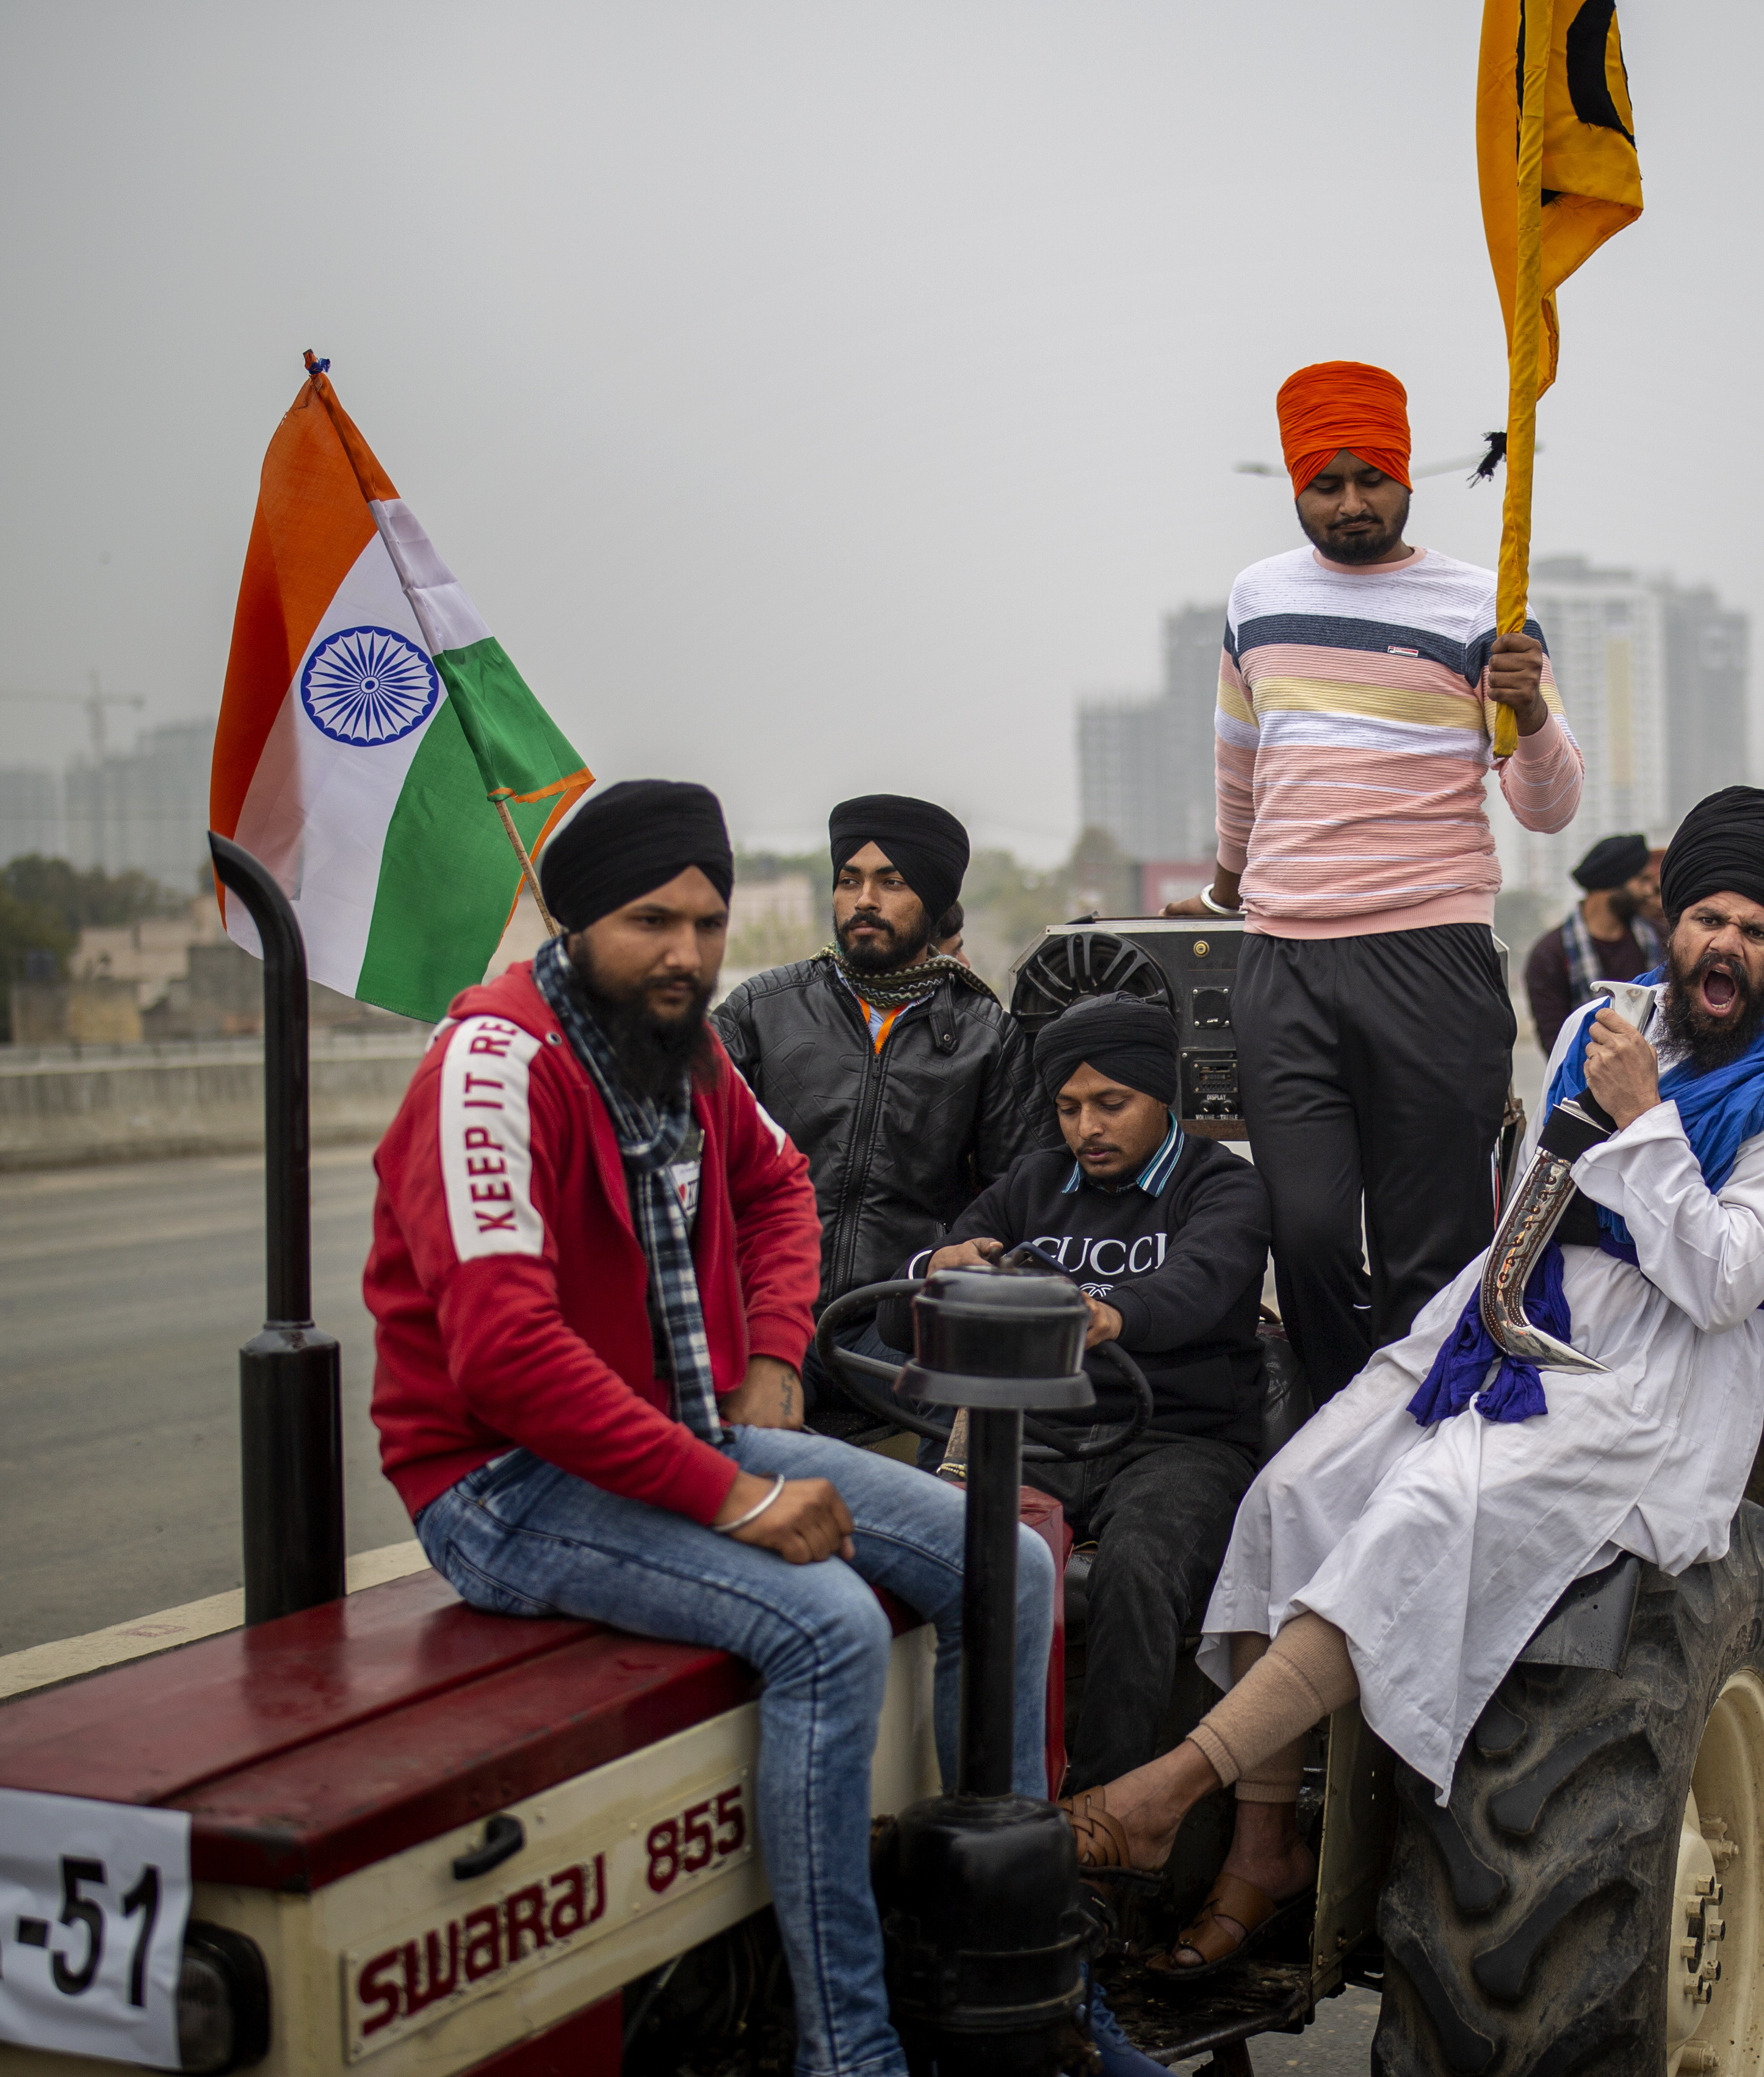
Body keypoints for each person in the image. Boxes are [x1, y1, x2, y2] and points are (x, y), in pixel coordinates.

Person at [1062, 787, 1764, 1957]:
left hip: (1646, 1385)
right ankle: (1265, 1842)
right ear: (1673, 920)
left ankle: (1164, 1795)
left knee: (1421, 1511)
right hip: (1502, 1324)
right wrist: (1473, 1322)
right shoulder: (1598, 1023)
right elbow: (1533, 1201)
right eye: (1711, 918)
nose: (1728, 947)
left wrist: (1648, 1118)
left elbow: (1722, 1282)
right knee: (1296, 1489)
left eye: (1758, 935)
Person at [366, 779, 1055, 2077]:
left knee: (1005, 1568)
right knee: (830, 1628)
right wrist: (737, 1497)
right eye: (648, 922)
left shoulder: (675, 1047)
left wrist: (776, 1362)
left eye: (705, 919)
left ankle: (991, 1969)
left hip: (672, 1433)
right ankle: (850, 2050)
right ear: (571, 924)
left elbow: (778, 1187)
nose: (684, 951)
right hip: (504, 1485)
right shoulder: (492, 1067)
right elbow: (504, 1359)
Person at [1165, 360, 1584, 1401]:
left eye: (1370, 479)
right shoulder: (1257, 598)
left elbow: (1550, 805)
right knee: (1302, 1230)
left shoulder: (1487, 605)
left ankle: (1421, 1449)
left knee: (1430, 1247)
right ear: (1296, 487)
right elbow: (1239, 764)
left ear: (1405, 476)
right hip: (1284, 959)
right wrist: (1224, 890)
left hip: (1429, 958)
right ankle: (1342, 1427)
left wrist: (1526, 710)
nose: (1350, 503)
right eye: (1325, 484)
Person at [894, 993, 1273, 1815]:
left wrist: (1110, 1312)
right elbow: (906, 1306)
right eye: (1067, 1107)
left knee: (1137, 1568)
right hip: (1040, 1433)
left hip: (1181, 1439)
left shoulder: (1223, 1187)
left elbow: (1197, 1287)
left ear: (1161, 1093)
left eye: (1111, 1103)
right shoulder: (1030, 1185)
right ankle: (971, 1798)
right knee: (958, 1549)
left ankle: (1104, 1825)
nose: (1086, 1128)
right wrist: (937, 1265)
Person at [715, 795, 1050, 1425]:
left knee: (973, 1396)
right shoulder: (761, 1010)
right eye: (849, 880)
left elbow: (1021, 1193)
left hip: (895, 1325)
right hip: (762, 1315)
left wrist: (957, 1260)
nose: (863, 900)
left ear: (930, 898)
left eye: (890, 882)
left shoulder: (987, 1037)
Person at [1522, 832, 1663, 1052]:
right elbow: (1556, 1045)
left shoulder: (1660, 939)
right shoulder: (1551, 954)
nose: (1649, 891)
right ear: (1612, 884)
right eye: (1642, 880)